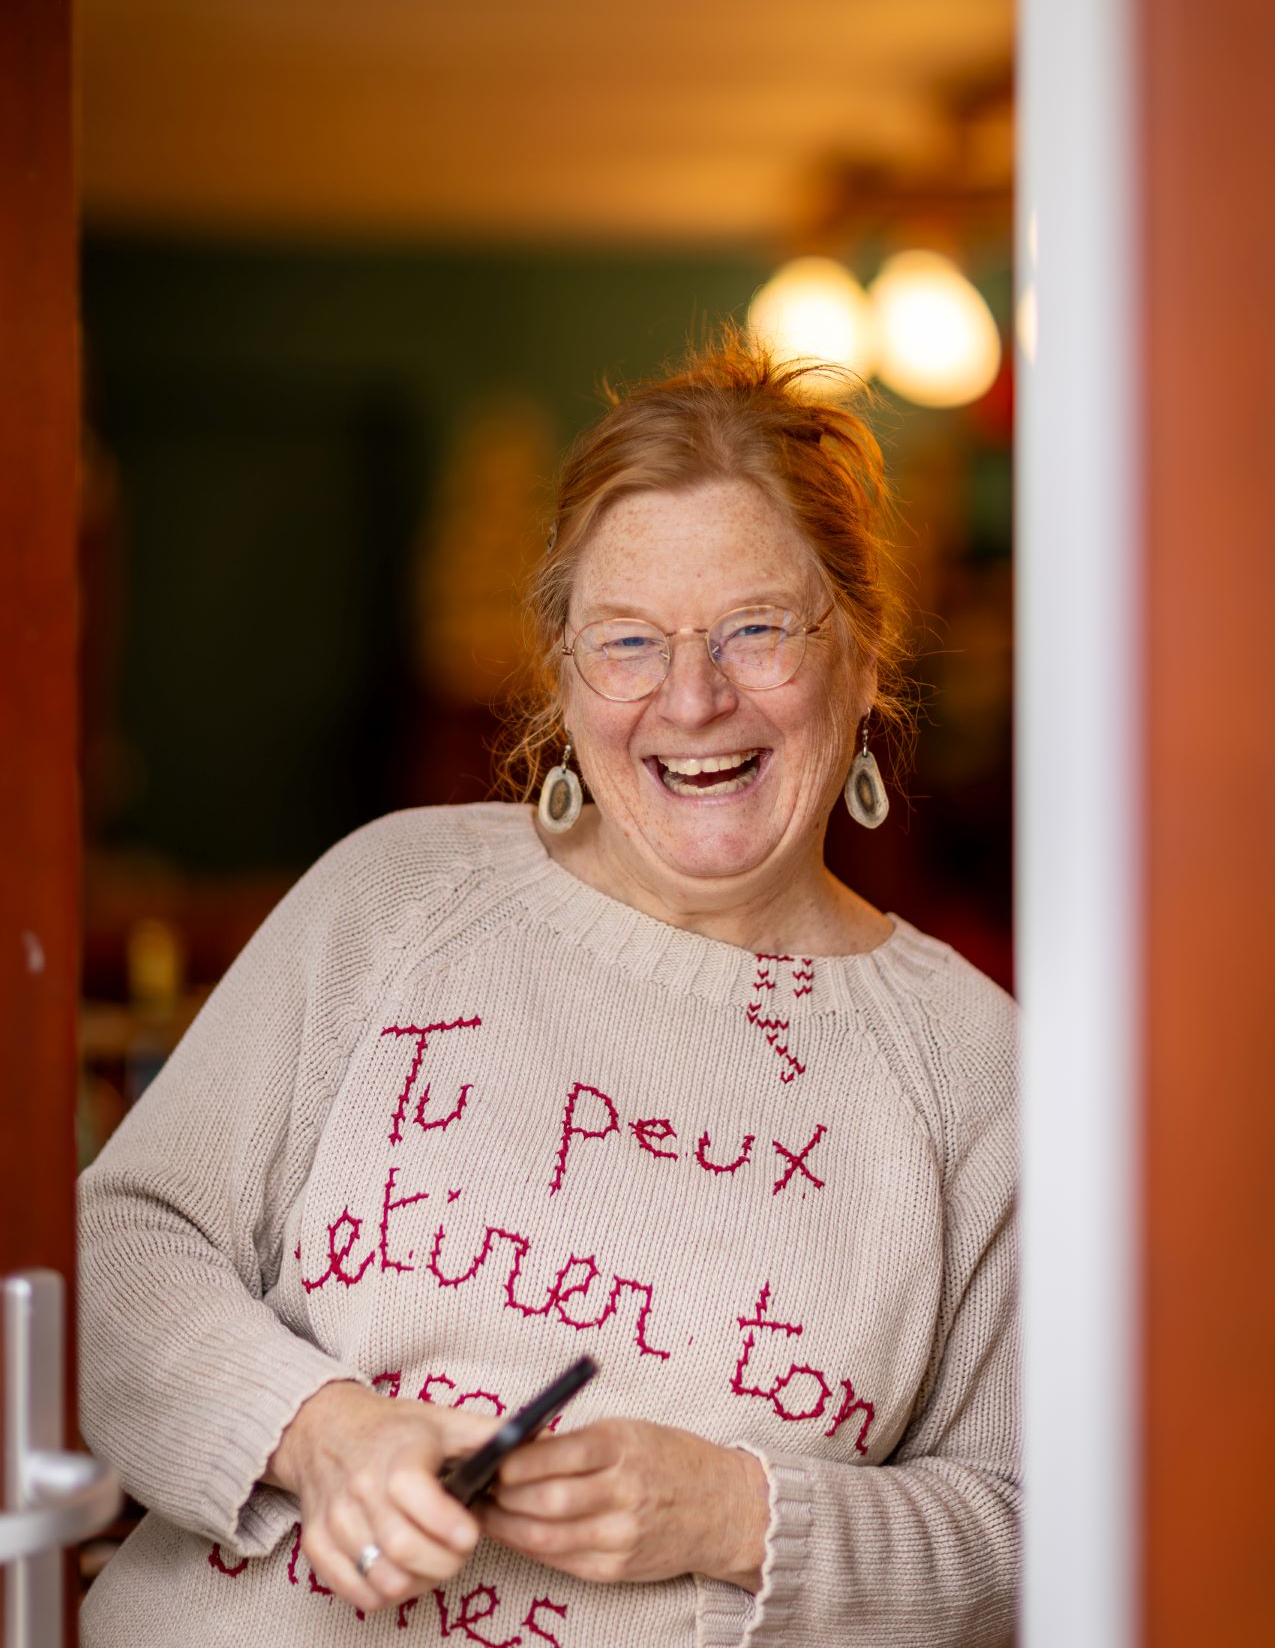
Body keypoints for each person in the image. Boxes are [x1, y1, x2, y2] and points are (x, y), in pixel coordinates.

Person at [78, 334, 1019, 1647]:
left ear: (864, 655)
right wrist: (317, 1431)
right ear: (564, 676)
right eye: (628, 640)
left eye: (756, 629)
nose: (692, 697)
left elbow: (1030, 1527)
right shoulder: (392, 898)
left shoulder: (976, 1065)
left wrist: (742, 1516)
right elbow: (114, 1254)